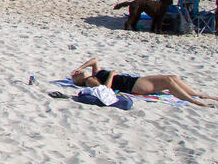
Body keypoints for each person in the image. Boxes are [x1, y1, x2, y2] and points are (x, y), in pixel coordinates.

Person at [70, 58, 217, 108]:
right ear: (79, 81)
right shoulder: (89, 81)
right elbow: (105, 90)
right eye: (75, 76)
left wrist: (80, 67)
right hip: (132, 85)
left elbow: (94, 60)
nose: (77, 74)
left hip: (133, 81)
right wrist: (112, 76)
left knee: (173, 77)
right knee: (168, 82)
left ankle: (201, 95)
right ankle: (195, 101)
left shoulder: (95, 73)